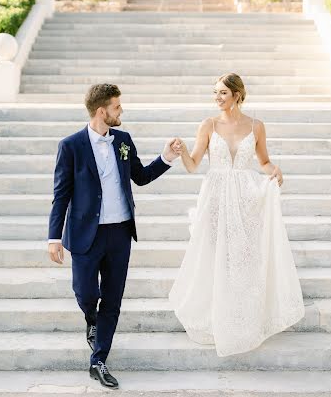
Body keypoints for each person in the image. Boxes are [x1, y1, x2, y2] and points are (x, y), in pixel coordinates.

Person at [48, 83, 179, 389]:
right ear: (101, 111)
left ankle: (99, 360)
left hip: (120, 231)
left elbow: (141, 177)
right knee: (85, 294)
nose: (122, 111)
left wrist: (166, 157)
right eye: (118, 107)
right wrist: (54, 237)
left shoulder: (123, 140)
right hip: (85, 234)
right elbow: (61, 195)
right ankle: (90, 319)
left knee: (113, 299)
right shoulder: (71, 146)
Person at [169, 72, 305, 357]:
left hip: (246, 197)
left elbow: (264, 162)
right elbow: (194, 165)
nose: (217, 98)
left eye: (222, 93)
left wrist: (275, 171)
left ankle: (242, 317)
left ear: (237, 96)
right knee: (214, 254)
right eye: (215, 93)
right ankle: (214, 316)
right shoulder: (208, 125)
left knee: (243, 258)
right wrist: (180, 151)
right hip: (216, 196)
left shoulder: (256, 126)